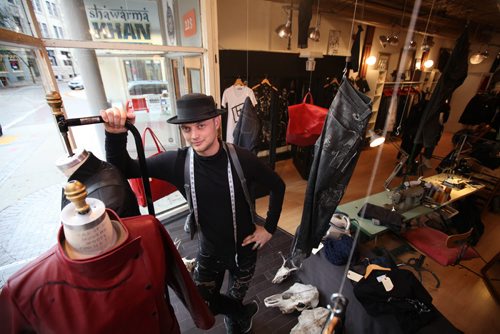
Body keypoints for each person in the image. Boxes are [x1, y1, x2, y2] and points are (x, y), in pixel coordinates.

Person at [100, 93, 286, 333]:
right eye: (187, 128)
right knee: (202, 305)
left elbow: (278, 186)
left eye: (201, 125)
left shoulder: (241, 158)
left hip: (246, 248)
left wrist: (269, 228)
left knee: (235, 296)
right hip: (209, 251)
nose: (194, 135)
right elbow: (124, 169)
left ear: (217, 123)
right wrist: (115, 135)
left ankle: (237, 320)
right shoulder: (178, 162)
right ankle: (241, 312)